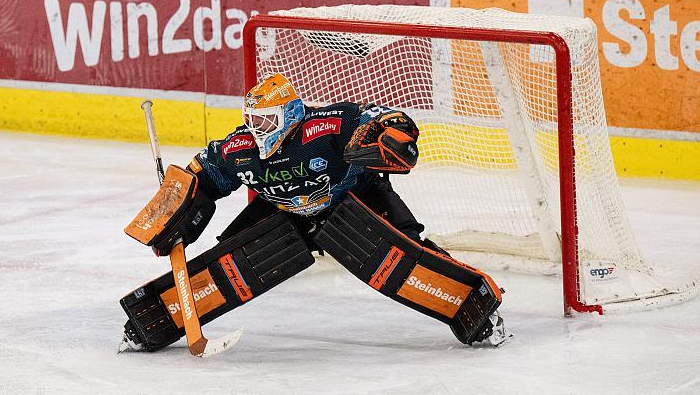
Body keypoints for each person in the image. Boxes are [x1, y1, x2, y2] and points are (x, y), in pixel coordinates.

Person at [119, 73, 510, 352]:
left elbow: (382, 118)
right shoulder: (240, 148)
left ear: (290, 115)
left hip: (355, 197)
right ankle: (149, 324)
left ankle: (478, 311)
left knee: (408, 251)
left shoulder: (326, 127)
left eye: (266, 121)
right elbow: (202, 178)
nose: (257, 130)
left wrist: (389, 133)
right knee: (226, 261)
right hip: (286, 212)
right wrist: (175, 213)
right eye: (252, 121)